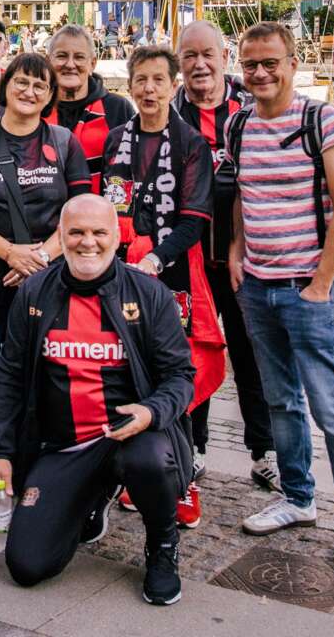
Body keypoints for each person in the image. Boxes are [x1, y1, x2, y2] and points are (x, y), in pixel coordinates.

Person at [0, 194, 195, 606]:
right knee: (26, 566)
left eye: (99, 232)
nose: (88, 242)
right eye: (76, 232)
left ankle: (162, 545)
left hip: (129, 437)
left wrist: (151, 412)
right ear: (60, 238)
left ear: (116, 237)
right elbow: (9, 375)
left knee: (148, 460)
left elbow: (181, 377)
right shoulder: (33, 292)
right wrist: (2, 453)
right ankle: (91, 501)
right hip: (63, 446)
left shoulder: (150, 295)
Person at [228, 22, 334, 572]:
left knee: (331, 406)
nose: (260, 74)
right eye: (250, 65)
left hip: (305, 288)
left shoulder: (323, 121)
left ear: (292, 63)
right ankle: (297, 497)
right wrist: (238, 251)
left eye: (270, 63)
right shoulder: (240, 125)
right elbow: (243, 192)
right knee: (280, 402)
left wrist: (320, 283)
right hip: (259, 285)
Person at [0, 53, 90, 535]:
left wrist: (39, 258)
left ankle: (31, 483)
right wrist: (10, 253)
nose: (30, 92)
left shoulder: (64, 144)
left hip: (47, 284)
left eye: (40, 86)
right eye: (22, 83)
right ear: (5, 86)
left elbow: (82, 212)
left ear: (50, 96)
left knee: (41, 388)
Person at [104, 45, 221, 529]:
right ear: (129, 86)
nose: (149, 89)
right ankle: (137, 468)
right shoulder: (116, 141)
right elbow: (109, 207)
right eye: (140, 80)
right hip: (123, 271)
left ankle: (184, 472)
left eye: (158, 80)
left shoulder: (191, 143)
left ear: (174, 84)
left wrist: (154, 257)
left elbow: (195, 218)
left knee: (180, 373)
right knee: (129, 368)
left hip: (172, 274)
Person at [170, 22, 277, 494]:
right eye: (189, 55)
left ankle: (264, 451)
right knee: (193, 354)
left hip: (244, 259)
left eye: (207, 54)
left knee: (254, 355)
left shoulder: (249, 109)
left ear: (224, 55)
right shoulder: (168, 116)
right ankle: (194, 448)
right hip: (190, 262)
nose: (199, 65)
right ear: (179, 63)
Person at [46, 24, 134, 182]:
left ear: (92, 63)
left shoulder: (117, 108)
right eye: (61, 56)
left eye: (79, 57)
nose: (70, 64)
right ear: (49, 61)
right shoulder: (35, 108)